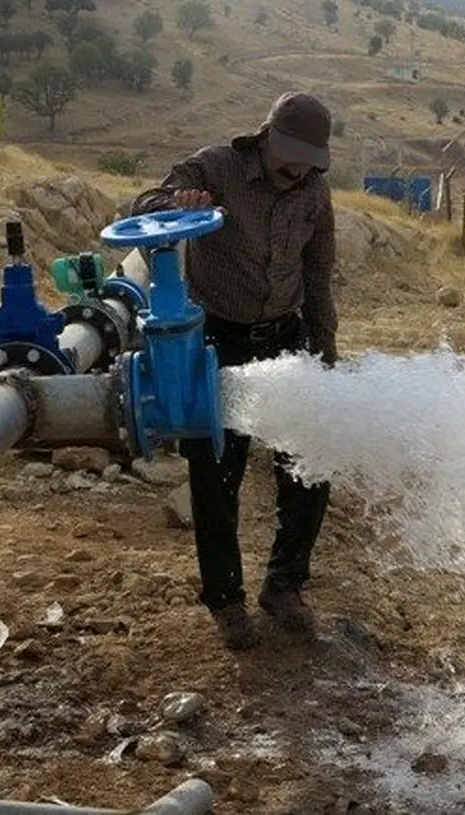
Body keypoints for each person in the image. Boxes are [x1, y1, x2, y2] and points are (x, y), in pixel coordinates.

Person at [130, 92, 338, 650]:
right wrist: (177, 201)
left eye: (308, 160)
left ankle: (285, 585)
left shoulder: (314, 194)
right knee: (217, 476)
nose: (296, 168)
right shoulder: (217, 167)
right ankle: (226, 602)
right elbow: (143, 204)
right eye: (290, 153)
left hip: (286, 341)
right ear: (267, 135)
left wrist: (325, 352)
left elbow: (318, 277)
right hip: (218, 341)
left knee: (309, 467)